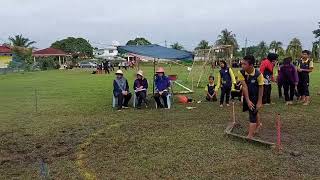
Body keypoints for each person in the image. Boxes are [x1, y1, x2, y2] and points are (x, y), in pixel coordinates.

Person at [238, 55, 264, 139]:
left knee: (252, 114)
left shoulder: (258, 74)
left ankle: (250, 135)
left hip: (256, 95)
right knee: (254, 111)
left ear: (251, 65)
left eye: (244, 64)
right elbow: (244, 87)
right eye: (242, 64)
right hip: (248, 95)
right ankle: (259, 125)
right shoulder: (241, 72)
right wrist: (247, 100)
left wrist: (259, 101)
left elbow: (261, 88)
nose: (242, 66)